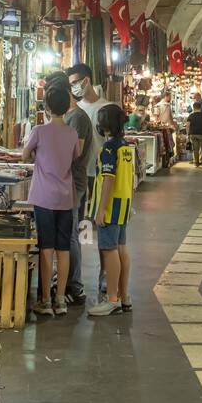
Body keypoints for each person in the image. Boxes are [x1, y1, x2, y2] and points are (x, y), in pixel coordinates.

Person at [24, 83, 82, 316]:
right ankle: (60, 300)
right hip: (66, 198)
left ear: (46, 107)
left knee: (45, 247)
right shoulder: (72, 133)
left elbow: (24, 155)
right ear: (67, 106)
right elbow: (75, 157)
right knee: (63, 247)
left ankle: (45, 300)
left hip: (44, 197)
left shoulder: (39, 131)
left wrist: (37, 153)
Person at [66, 63, 121, 299]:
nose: (73, 88)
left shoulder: (107, 108)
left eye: (75, 82)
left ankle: (105, 277)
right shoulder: (74, 110)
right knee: (80, 229)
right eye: (70, 85)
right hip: (80, 176)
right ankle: (74, 278)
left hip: (101, 176)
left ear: (86, 80)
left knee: (103, 228)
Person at [48, 71, 93, 306]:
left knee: (72, 235)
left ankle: (75, 286)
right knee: (68, 233)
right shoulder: (70, 116)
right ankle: (65, 281)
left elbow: (74, 153)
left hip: (73, 183)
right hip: (66, 182)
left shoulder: (77, 118)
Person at [88, 104, 134, 316]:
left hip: (110, 208)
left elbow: (108, 180)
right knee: (121, 249)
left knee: (109, 250)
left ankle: (112, 299)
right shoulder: (125, 147)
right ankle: (124, 296)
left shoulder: (108, 149)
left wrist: (100, 210)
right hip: (123, 206)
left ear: (104, 126)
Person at [187, 101, 202, 167]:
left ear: (194, 108)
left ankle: (196, 163)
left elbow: (188, 125)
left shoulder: (191, 116)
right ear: (200, 108)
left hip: (193, 134)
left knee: (195, 149)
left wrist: (188, 134)